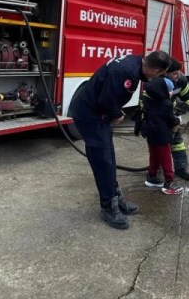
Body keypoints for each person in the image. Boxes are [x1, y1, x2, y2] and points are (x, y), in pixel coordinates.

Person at [71, 50, 171, 230]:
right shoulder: (127, 72)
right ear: (154, 70)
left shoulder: (135, 62)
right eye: (159, 74)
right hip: (90, 114)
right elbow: (106, 99)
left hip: (97, 114)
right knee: (102, 160)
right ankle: (108, 207)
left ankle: (115, 197)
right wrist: (116, 114)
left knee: (109, 157)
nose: (157, 77)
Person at [140, 76, 184, 195]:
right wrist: (177, 120)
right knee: (166, 159)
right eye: (170, 90)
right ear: (163, 90)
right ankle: (169, 183)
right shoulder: (166, 104)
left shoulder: (148, 100)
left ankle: (152, 177)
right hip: (162, 135)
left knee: (154, 156)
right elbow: (170, 119)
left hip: (151, 134)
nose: (171, 93)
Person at [165, 59, 189, 181]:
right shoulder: (157, 83)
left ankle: (181, 168)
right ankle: (154, 173)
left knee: (177, 142)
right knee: (159, 146)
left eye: (179, 72)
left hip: (170, 116)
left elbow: (188, 96)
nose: (179, 75)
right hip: (157, 118)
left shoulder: (181, 80)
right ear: (165, 73)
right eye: (174, 73)